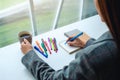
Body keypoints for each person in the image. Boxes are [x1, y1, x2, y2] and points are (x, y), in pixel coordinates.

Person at [20, 0, 120, 80]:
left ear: (107, 5)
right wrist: (91, 43)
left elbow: (52, 78)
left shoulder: (90, 57)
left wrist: (30, 54)